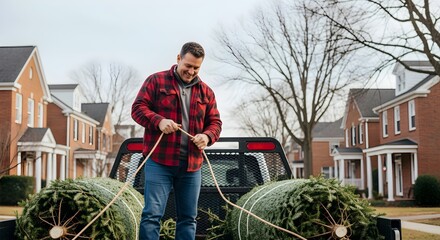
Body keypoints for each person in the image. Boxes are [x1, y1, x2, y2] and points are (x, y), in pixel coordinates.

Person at [132, 42, 222, 240]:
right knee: (152, 216)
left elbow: (215, 123)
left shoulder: (206, 92)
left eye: (196, 68)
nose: (191, 71)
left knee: (188, 218)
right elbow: (138, 109)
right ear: (178, 58)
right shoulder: (156, 81)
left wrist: (207, 136)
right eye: (187, 66)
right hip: (159, 162)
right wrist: (159, 121)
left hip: (192, 166)